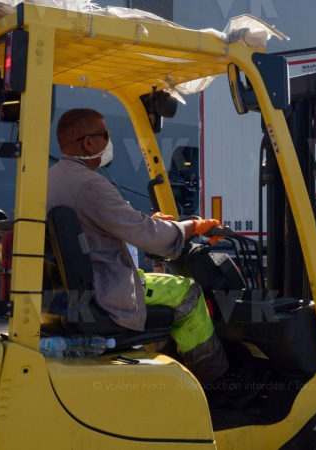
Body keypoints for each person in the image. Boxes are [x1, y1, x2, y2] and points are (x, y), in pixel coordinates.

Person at [47, 108, 230, 384]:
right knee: (187, 292)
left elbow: (109, 227)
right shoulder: (90, 185)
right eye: (105, 135)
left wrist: (149, 223)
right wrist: (194, 227)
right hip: (106, 289)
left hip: (72, 291)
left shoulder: (50, 180)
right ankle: (216, 381)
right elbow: (149, 236)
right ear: (88, 143)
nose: (109, 142)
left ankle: (167, 370)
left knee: (160, 291)